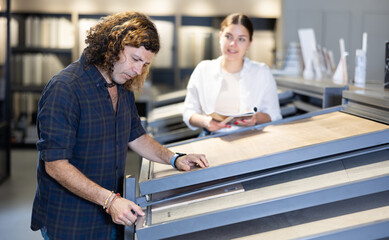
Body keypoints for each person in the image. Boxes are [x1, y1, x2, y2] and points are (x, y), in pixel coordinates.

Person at [30, 11, 208, 240]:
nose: (138, 70)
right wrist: (109, 200)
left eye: (144, 64)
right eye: (135, 59)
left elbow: (136, 136)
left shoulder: (122, 85)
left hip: (110, 214)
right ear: (112, 45)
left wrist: (174, 158)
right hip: (71, 219)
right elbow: (55, 165)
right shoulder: (65, 88)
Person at [183, 13, 282, 136]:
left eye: (241, 39)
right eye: (228, 36)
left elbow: (275, 115)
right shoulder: (203, 69)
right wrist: (206, 121)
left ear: (249, 43)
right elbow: (188, 112)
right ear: (220, 37)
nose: (232, 44)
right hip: (211, 139)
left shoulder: (262, 72)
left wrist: (256, 118)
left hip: (250, 139)